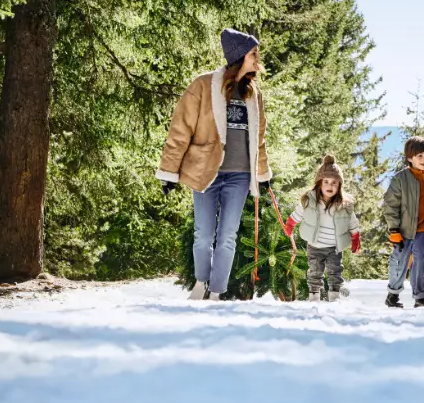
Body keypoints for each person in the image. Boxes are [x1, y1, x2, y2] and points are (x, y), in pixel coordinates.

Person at [155, 29, 272, 300]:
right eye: (253, 53)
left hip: (240, 175)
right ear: (239, 56)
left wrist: (262, 173)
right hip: (206, 171)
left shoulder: (253, 94)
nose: (258, 59)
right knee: (203, 234)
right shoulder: (203, 85)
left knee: (227, 236)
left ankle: (218, 291)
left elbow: (259, 138)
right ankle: (200, 284)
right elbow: (180, 129)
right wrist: (169, 172)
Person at [284, 155, 361, 302]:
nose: (330, 186)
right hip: (315, 245)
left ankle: (334, 296)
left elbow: (352, 223)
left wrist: (355, 238)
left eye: (334, 183)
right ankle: (314, 296)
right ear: (319, 183)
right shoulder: (310, 201)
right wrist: (290, 225)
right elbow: (298, 213)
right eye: (326, 182)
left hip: (334, 247)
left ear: (339, 186)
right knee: (315, 271)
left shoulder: (344, 205)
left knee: (335, 271)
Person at [382, 136, 424, 309]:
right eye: (419, 156)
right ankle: (392, 295)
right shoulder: (400, 179)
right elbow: (390, 206)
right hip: (403, 230)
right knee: (400, 261)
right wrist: (394, 231)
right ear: (410, 158)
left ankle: (420, 298)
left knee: (420, 261)